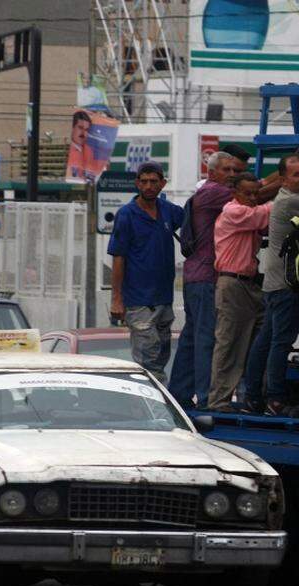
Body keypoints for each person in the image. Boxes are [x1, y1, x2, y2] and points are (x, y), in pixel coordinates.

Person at [243, 155, 299, 415]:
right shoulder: (294, 201)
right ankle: (274, 397)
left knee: (266, 341)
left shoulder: (283, 198)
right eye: (298, 174)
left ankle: (252, 396)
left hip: (273, 281)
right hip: (285, 283)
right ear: (284, 180)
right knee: (280, 342)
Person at [168, 151, 236, 409]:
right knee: (207, 337)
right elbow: (254, 194)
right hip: (207, 276)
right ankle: (207, 397)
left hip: (195, 276)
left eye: (234, 171)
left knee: (192, 338)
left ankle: (180, 394)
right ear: (212, 172)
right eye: (227, 170)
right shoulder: (215, 193)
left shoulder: (204, 193)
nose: (232, 175)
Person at [107, 162, 184, 382]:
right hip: (139, 302)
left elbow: (193, 219)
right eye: (144, 181)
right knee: (147, 363)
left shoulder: (168, 211)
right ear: (137, 183)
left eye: (153, 181)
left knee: (160, 358)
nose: (149, 186)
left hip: (163, 299)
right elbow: (118, 257)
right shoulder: (127, 215)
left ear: (162, 184)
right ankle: (150, 408)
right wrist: (117, 299)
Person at [208, 173, 272, 412]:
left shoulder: (246, 213)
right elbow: (267, 213)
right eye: (248, 193)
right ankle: (219, 400)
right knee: (229, 342)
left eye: (256, 193)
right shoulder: (233, 212)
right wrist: (285, 191)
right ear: (235, 193)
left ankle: (248, 396)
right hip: (232, 283)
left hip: (249, 284)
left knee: (255, 341)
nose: (253, 198)